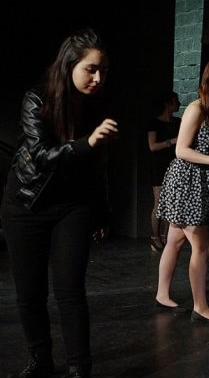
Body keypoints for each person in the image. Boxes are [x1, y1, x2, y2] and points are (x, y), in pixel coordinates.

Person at [1, 29, 117, 378]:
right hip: (27, 205)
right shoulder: (37, 99)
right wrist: (86, 143)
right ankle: (40, 360)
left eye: (102, 71)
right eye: (90, 69)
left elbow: (98, 169)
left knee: (70, 291)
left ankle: (80, 368)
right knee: (30, 294)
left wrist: (101, 214)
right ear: (69, 65)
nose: (97, 78)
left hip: (73, 206)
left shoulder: (96, 106)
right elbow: (40, 155)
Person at [154, 59, 209, 323]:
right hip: (185, 181)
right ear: (207, 81)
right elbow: (181, 150)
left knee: (175, 241)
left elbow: (202, 147)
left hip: (197, 179)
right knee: (201, 246)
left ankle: (161, 294)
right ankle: (200, 307)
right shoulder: (196, 108)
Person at [146, 90, 181, 252]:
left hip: (174, 165)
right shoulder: (154, 123)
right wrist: (172, 141)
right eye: (176, 101)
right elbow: (152, 146)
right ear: (168, 103)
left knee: (171, 203)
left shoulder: (178, 122)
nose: (179, 104)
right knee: (159, 202)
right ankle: (155, 237)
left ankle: (167, 237)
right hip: (159, 166)